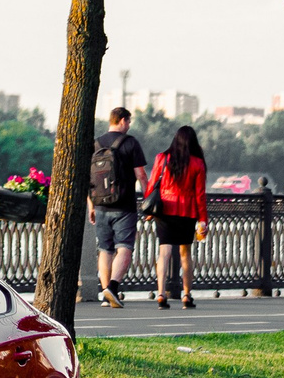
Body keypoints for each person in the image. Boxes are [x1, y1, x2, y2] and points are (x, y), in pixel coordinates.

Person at [88, 106, 149, 309]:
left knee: (105, 250)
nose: (129, 125)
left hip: (100, 205)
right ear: (122, 120)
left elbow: (88, 179)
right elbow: (141, 175)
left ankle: (106, 293)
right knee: (124, 247)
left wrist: (91, 205)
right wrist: (148, 199)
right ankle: (112, 288)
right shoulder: (130, 143)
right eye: (128, 121)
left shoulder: (95, 143)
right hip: (124, 205)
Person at [143, 124, 209, 310]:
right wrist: (203, 219)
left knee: (164, 253)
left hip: (164, 210)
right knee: (185, 254)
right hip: (187, 212)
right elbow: (200, 195)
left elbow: (152, 183)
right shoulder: (197, 163)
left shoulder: (162, 158)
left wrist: (149, 210)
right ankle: (187, 296)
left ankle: (161, 294)